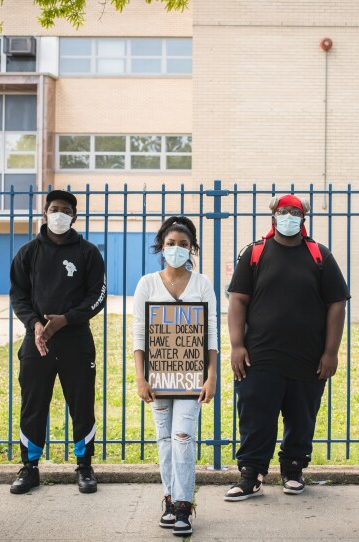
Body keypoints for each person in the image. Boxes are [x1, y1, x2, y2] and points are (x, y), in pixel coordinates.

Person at [224, 194, 349, 501]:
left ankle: (293, 469)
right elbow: (238, 300)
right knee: (255, 416)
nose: (289, 216)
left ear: (304, 219)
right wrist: (237, 345)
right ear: (274, 216)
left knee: (301, 416)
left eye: (295, 212)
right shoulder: (254, 253)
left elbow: (337, 305)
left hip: (308, 358)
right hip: (259, 356)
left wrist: (330, 352)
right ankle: (251, 475)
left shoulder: (320, 255)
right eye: (284, 211)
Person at [8, 189, 107, 494]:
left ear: (74, 216)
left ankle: (85, 466)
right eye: (54, 209)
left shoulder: (88, 252)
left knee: (81, 404)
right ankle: (30, 467)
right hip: (37, 342)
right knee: (33, 405)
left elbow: (98, 297)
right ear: (45, 212)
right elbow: (18, 296)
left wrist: (67, 318)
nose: (59, 214)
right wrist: (36, 324)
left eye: (65, 210)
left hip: (76, 341)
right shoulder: (28, 252)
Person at [132, 216, 218, 537]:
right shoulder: (147, 284)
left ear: (192, 248)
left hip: (191, 377)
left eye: (183, 244)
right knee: (164, 441)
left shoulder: (202, 284)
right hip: (158, 376)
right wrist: (141, 378)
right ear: (161, 247)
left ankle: (184, 504)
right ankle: (169, 499)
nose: (177, 249)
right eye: (171, 244)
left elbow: (211, 334)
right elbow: (139, 334)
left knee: (183, 437)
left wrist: (211, 376)